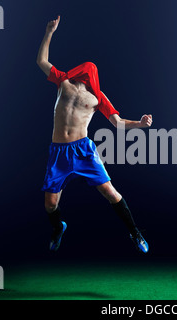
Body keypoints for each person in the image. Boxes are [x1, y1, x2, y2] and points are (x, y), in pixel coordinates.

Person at [36, 16, 152, 253]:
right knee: (50, 204)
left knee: (111, 193)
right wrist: (49, 32)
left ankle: (135, 232)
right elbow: (41, 60)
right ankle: (58, 228)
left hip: (83, 150)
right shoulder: (63, 82)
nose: (87, 74)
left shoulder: (98, 98)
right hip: (59, 151)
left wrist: (140, 124)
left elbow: (118, 123)